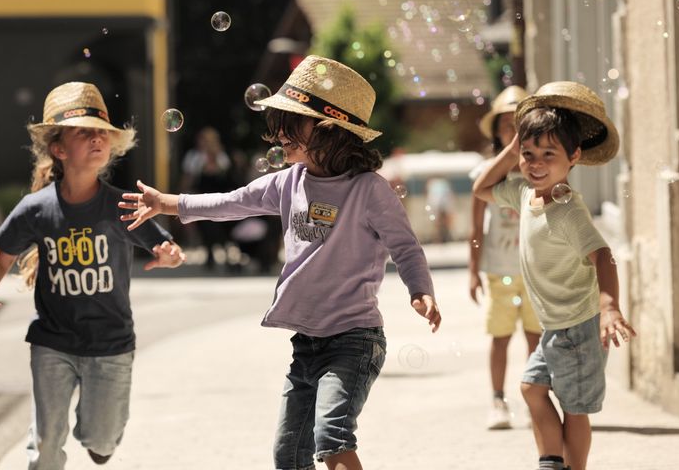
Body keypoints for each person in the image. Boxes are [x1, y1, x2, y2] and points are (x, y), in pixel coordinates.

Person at [120, 55, 441, 470]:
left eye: (292, 124)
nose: (279, 135)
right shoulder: (287, 182)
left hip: (354, 341)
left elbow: (407, 247)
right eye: (278, 124)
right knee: (287, 456)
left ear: (330, 130)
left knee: (332, 435)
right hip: (306, 344)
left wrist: (421, 291)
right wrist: (168, 203)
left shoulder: (369, 191)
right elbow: (232, 202)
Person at [0, 82, 185, 469]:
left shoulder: (122, 205)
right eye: (83, 132)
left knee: (102, 441)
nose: (97, 138)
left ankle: (95, 435)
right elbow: (1, 255)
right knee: (45, 443)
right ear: (59, 149)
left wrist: (172, 258)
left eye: (102, 133)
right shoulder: (36, 209)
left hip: (111, 345)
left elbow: (169, 249)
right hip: (53, 343)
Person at [473, 81, 636, 470]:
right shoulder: (524, 195)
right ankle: (551, 460)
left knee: (575, 409)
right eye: (529, 154)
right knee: (531, 388)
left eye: (549, 153)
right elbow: (481, 188)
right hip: (554, 328)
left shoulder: (567, 210)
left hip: (580, 327)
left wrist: (609, 306)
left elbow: (603, 255)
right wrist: (512, 150)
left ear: (574, 156)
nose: (536, 163)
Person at [468, 85, 541, 429]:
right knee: (500, 337)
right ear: (497, 129)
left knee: (535, 338)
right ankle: (497, 400)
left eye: (520, 122)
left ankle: (534, 398)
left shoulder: (539, 166)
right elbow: (476, 227)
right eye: (506, 123)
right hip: (499, 271)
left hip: (536, 272)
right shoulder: (487, 172)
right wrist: (473, 271)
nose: (513, 129)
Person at [179, 126, 236, 270]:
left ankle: (223, 254)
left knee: (219, 226)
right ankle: (211, 254)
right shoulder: (194, 157)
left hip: (220, 197)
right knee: (206, 226)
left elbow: (226, 176)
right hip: (201, 195)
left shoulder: (221, 156)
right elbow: (188, 179)